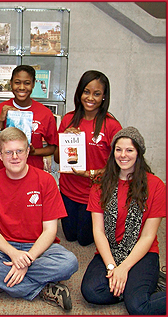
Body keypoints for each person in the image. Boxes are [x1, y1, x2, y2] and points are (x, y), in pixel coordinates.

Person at [0, 127, 78, 311]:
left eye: (19, 151)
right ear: (0, 156)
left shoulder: (46, 180)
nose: (15, 157)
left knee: (69, 262)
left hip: (39, 248)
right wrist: (14, 254)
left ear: (28, 152)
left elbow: (50, 231)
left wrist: (27, 260)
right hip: (4, 247)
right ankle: (43, 290)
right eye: (9, 152)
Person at [81, 127, 166, 315]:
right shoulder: (100, 184)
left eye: (130, 150)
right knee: (91, 292)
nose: (123, 155)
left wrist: (124, 268)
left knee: (138, 307)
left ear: (139, 153)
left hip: (143, 253)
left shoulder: (156, 185)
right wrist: (112, 266)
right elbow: (99, 232)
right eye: (118, 149)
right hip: (109, 250)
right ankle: (134, 287)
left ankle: (137, 286)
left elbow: (148, 236)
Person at [55, 70, 122, 246]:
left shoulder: (112, 125)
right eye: (86, 91)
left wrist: (90, 173)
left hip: (94, 192)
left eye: (97, 93)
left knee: (84, 241)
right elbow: (56, 158)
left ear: (104, 97)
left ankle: (106, 217)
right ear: (79, 93)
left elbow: (119, 164)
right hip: (68, 189)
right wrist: (64, 138)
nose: (90, 98)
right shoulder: (68, 119)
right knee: (69, 236)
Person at [0, 65, 58, 171]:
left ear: (33, 84)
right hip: (5, 174)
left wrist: (34, 152)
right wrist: (1, 121)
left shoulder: (45, 113)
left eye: (27, 83)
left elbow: (53, 147)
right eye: (17, 82)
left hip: (33, 173)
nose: (21, 87)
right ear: (10, 83)